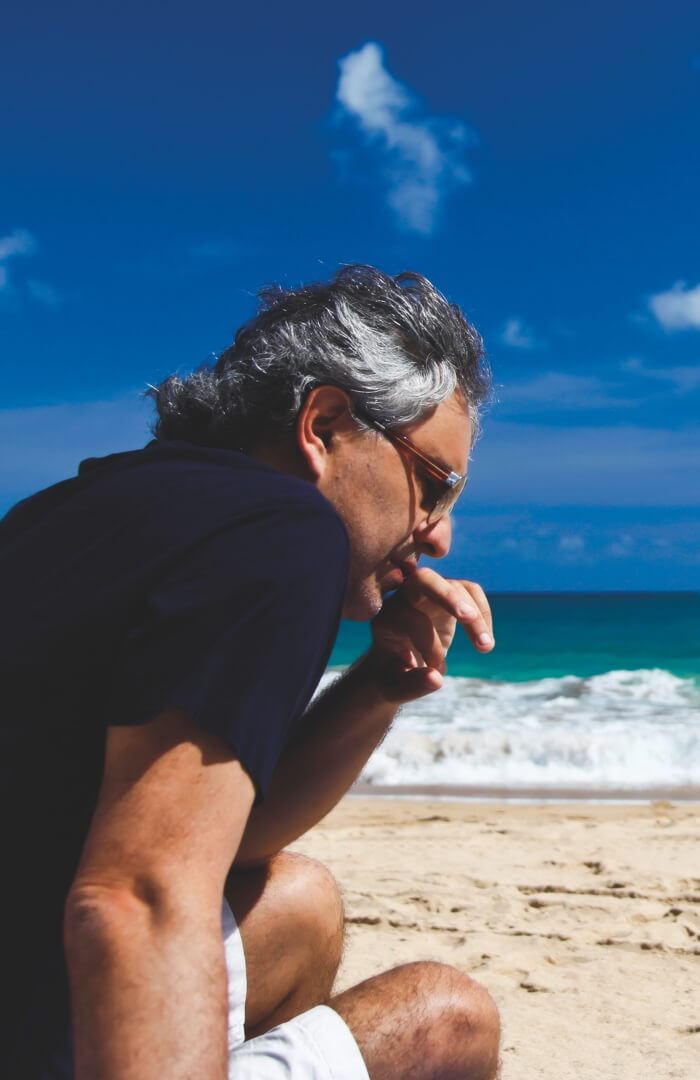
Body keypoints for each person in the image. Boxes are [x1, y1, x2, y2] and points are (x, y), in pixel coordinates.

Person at [0, 264, 500, 1079]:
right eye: (434, 484)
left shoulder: (65, 512)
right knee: (448, 1022)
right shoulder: (285, 529)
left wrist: (378, 684)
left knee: (301, 907)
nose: (439, 533)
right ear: (325, 425)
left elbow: (207, 834)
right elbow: (140, 896)